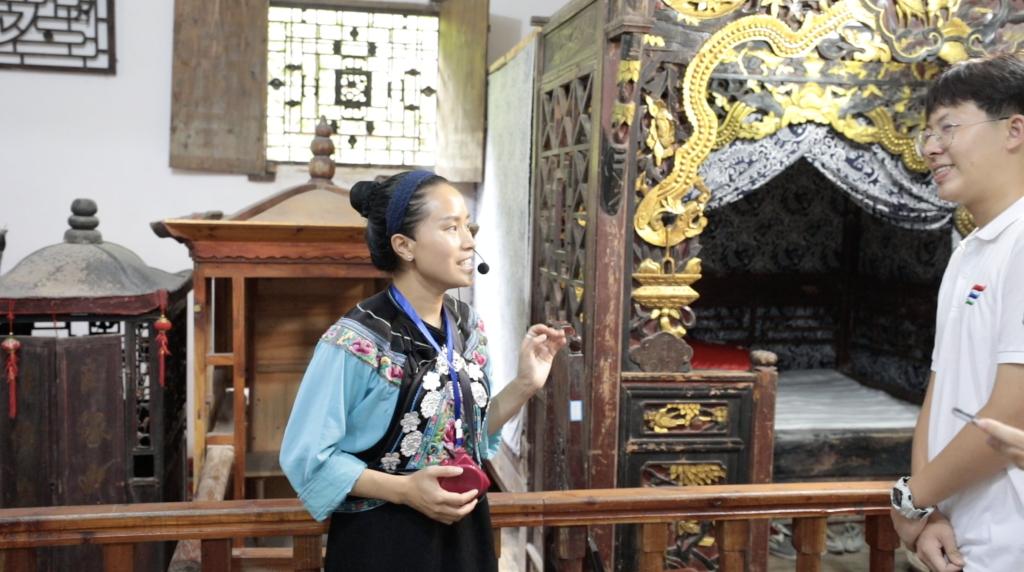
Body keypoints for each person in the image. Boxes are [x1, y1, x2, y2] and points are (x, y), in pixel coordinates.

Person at [279, 170, 567, 571]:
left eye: (468, 226)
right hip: (383, 541)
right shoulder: (357, 340)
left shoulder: (468, 327)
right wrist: (404, 490)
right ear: (404, 245)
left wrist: (525, 383)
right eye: (451, 228)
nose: (469, 241)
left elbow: (468, 434)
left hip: (465, 536)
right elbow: (309, 456)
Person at [889, 53, 1024, 571]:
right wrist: (928, 509)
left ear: (1014, 130)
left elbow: (1012, 412)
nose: (930, 147)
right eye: (928, 133)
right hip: (957, 540)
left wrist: (910, 498)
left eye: (948, 127)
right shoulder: (968, 252)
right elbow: (940, 390)